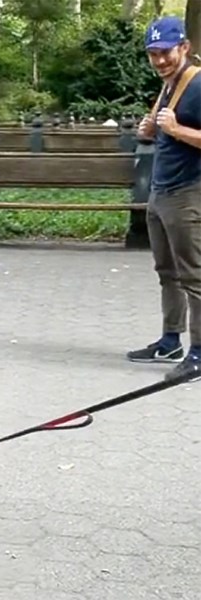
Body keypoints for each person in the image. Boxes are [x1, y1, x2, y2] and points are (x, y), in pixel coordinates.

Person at [126, 16, 201, 382]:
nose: (159, 60)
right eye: (152, 54)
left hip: (189, 194)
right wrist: (153, 129)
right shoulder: (170, 84)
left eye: (165, 52)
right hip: (161, 193)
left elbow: (184, 131)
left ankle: (199, 354)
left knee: (195, 276)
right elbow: (166, 132)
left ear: (184, 47)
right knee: (167, 273)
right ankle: (171, 340)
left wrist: (175, 129)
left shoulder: (199, 84)